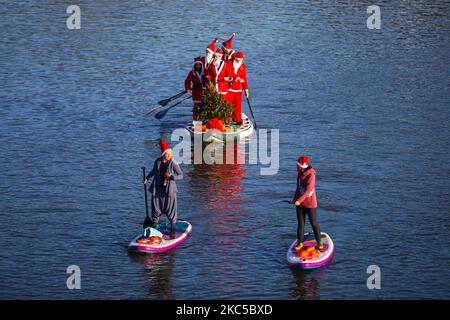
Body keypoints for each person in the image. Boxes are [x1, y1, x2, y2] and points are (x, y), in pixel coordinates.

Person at [144, 140, 183, 238]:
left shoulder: (173, 162)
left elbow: (181, 175)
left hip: (169, 191)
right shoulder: (157, 161)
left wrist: (171, 177)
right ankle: (153, 231)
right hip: (157, 190)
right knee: (156, 211)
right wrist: (147, 177)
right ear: (163, 154)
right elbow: (154, 171)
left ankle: (172, 230)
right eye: (168, 153)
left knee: (171, 211)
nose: (170, 155)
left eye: (171, 153)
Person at [293, 155, 323, 251]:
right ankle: (300, 243)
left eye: (297, 166)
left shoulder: (311, 175)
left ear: (301, 167)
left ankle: (319, 242)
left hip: (310, 204)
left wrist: (299, 200)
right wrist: (295, 199)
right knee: (300, 224)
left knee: (313, 223)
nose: (296, 167)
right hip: (300, 204)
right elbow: (298, 188)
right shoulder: (299, 174)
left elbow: (308, 190)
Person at [226, 51, 249, 124]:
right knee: (228, 105)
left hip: (238, 89)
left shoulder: (242, 66)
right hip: (230, 89)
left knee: (238, 106)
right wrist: (237, 79)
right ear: (235, 58)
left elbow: (244, 78)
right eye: (237, 60)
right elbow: (228, 74)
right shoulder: (229, 63)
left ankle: (238, 120)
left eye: (240, 61)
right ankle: (227, 120)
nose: (238, 62)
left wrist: (246, 90)